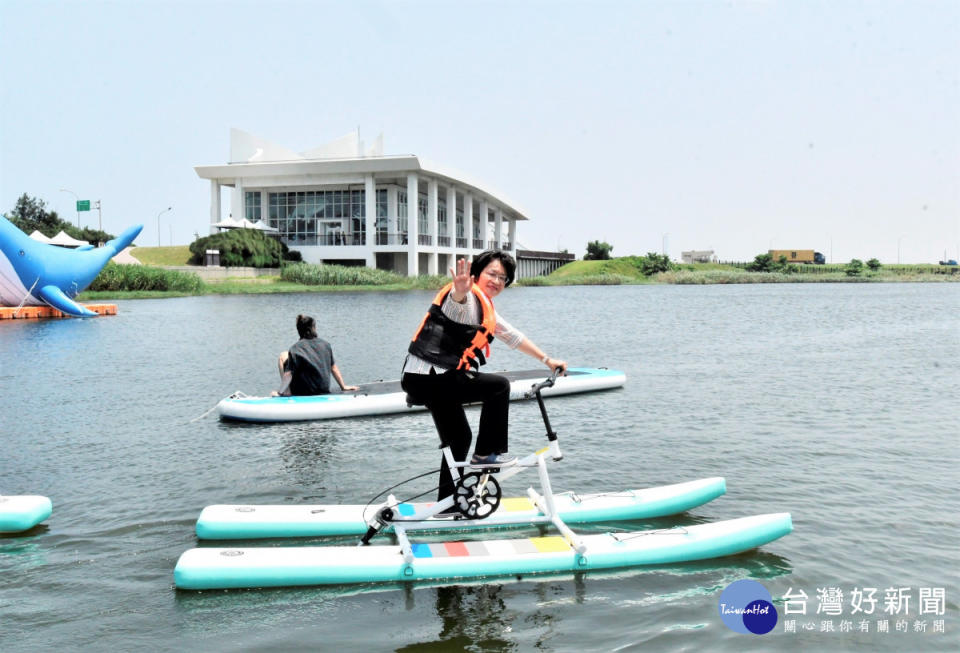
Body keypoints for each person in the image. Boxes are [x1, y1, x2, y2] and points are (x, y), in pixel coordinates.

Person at [401, 250, 568, 506]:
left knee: (459, 438)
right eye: (492, 274)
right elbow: (457, 302)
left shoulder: (484, 305)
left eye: (503, 278)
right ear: (477, 274)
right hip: (431, 378)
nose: (497, 281)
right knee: (499, 387)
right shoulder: (467, 298)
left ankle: (447, 504)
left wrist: (547, 360)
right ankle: (487, 455)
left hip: (428, 378)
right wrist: (460, 290)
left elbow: (513, 336)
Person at [275, 314, 358, 396]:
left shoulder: (295, 348)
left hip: (304, 391)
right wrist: (343, 387)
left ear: (298, 330)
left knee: (283, 356)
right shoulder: (326, 344)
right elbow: (333, 368)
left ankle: (286, 391)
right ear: (313, 328)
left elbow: (288, 374)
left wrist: (280, 392)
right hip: (324, 389)